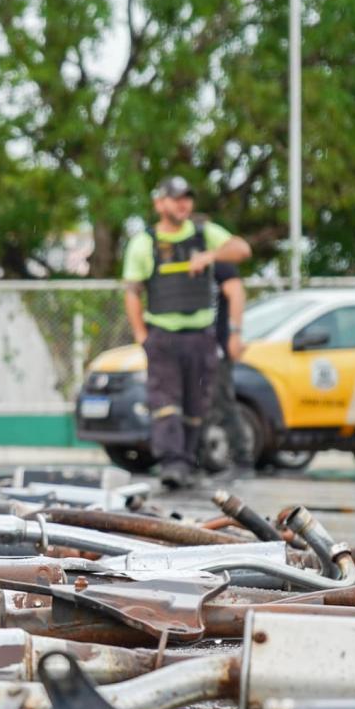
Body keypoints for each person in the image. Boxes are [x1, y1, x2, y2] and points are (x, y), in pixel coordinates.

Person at [122, 176, 251, 488]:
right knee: (165, 403)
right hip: (163, 335)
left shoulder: (205, 234)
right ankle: (172, 462)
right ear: (160, 203)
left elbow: (241, 249)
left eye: (187, 198)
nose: (183, 204)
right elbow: (132, 291)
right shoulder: (144, 242)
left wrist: (211, 255)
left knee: (197, 406)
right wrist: (141, 334)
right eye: (176, 198)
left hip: (200, 337)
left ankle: (188, 460)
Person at [208, 259, 255, 474]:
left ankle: (242, 459)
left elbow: (236, 292)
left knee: (223, 402)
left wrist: (235, 334)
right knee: (195, 408)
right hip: (192, 348)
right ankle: (196, 462)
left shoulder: (218, 263)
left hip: (216, 347)